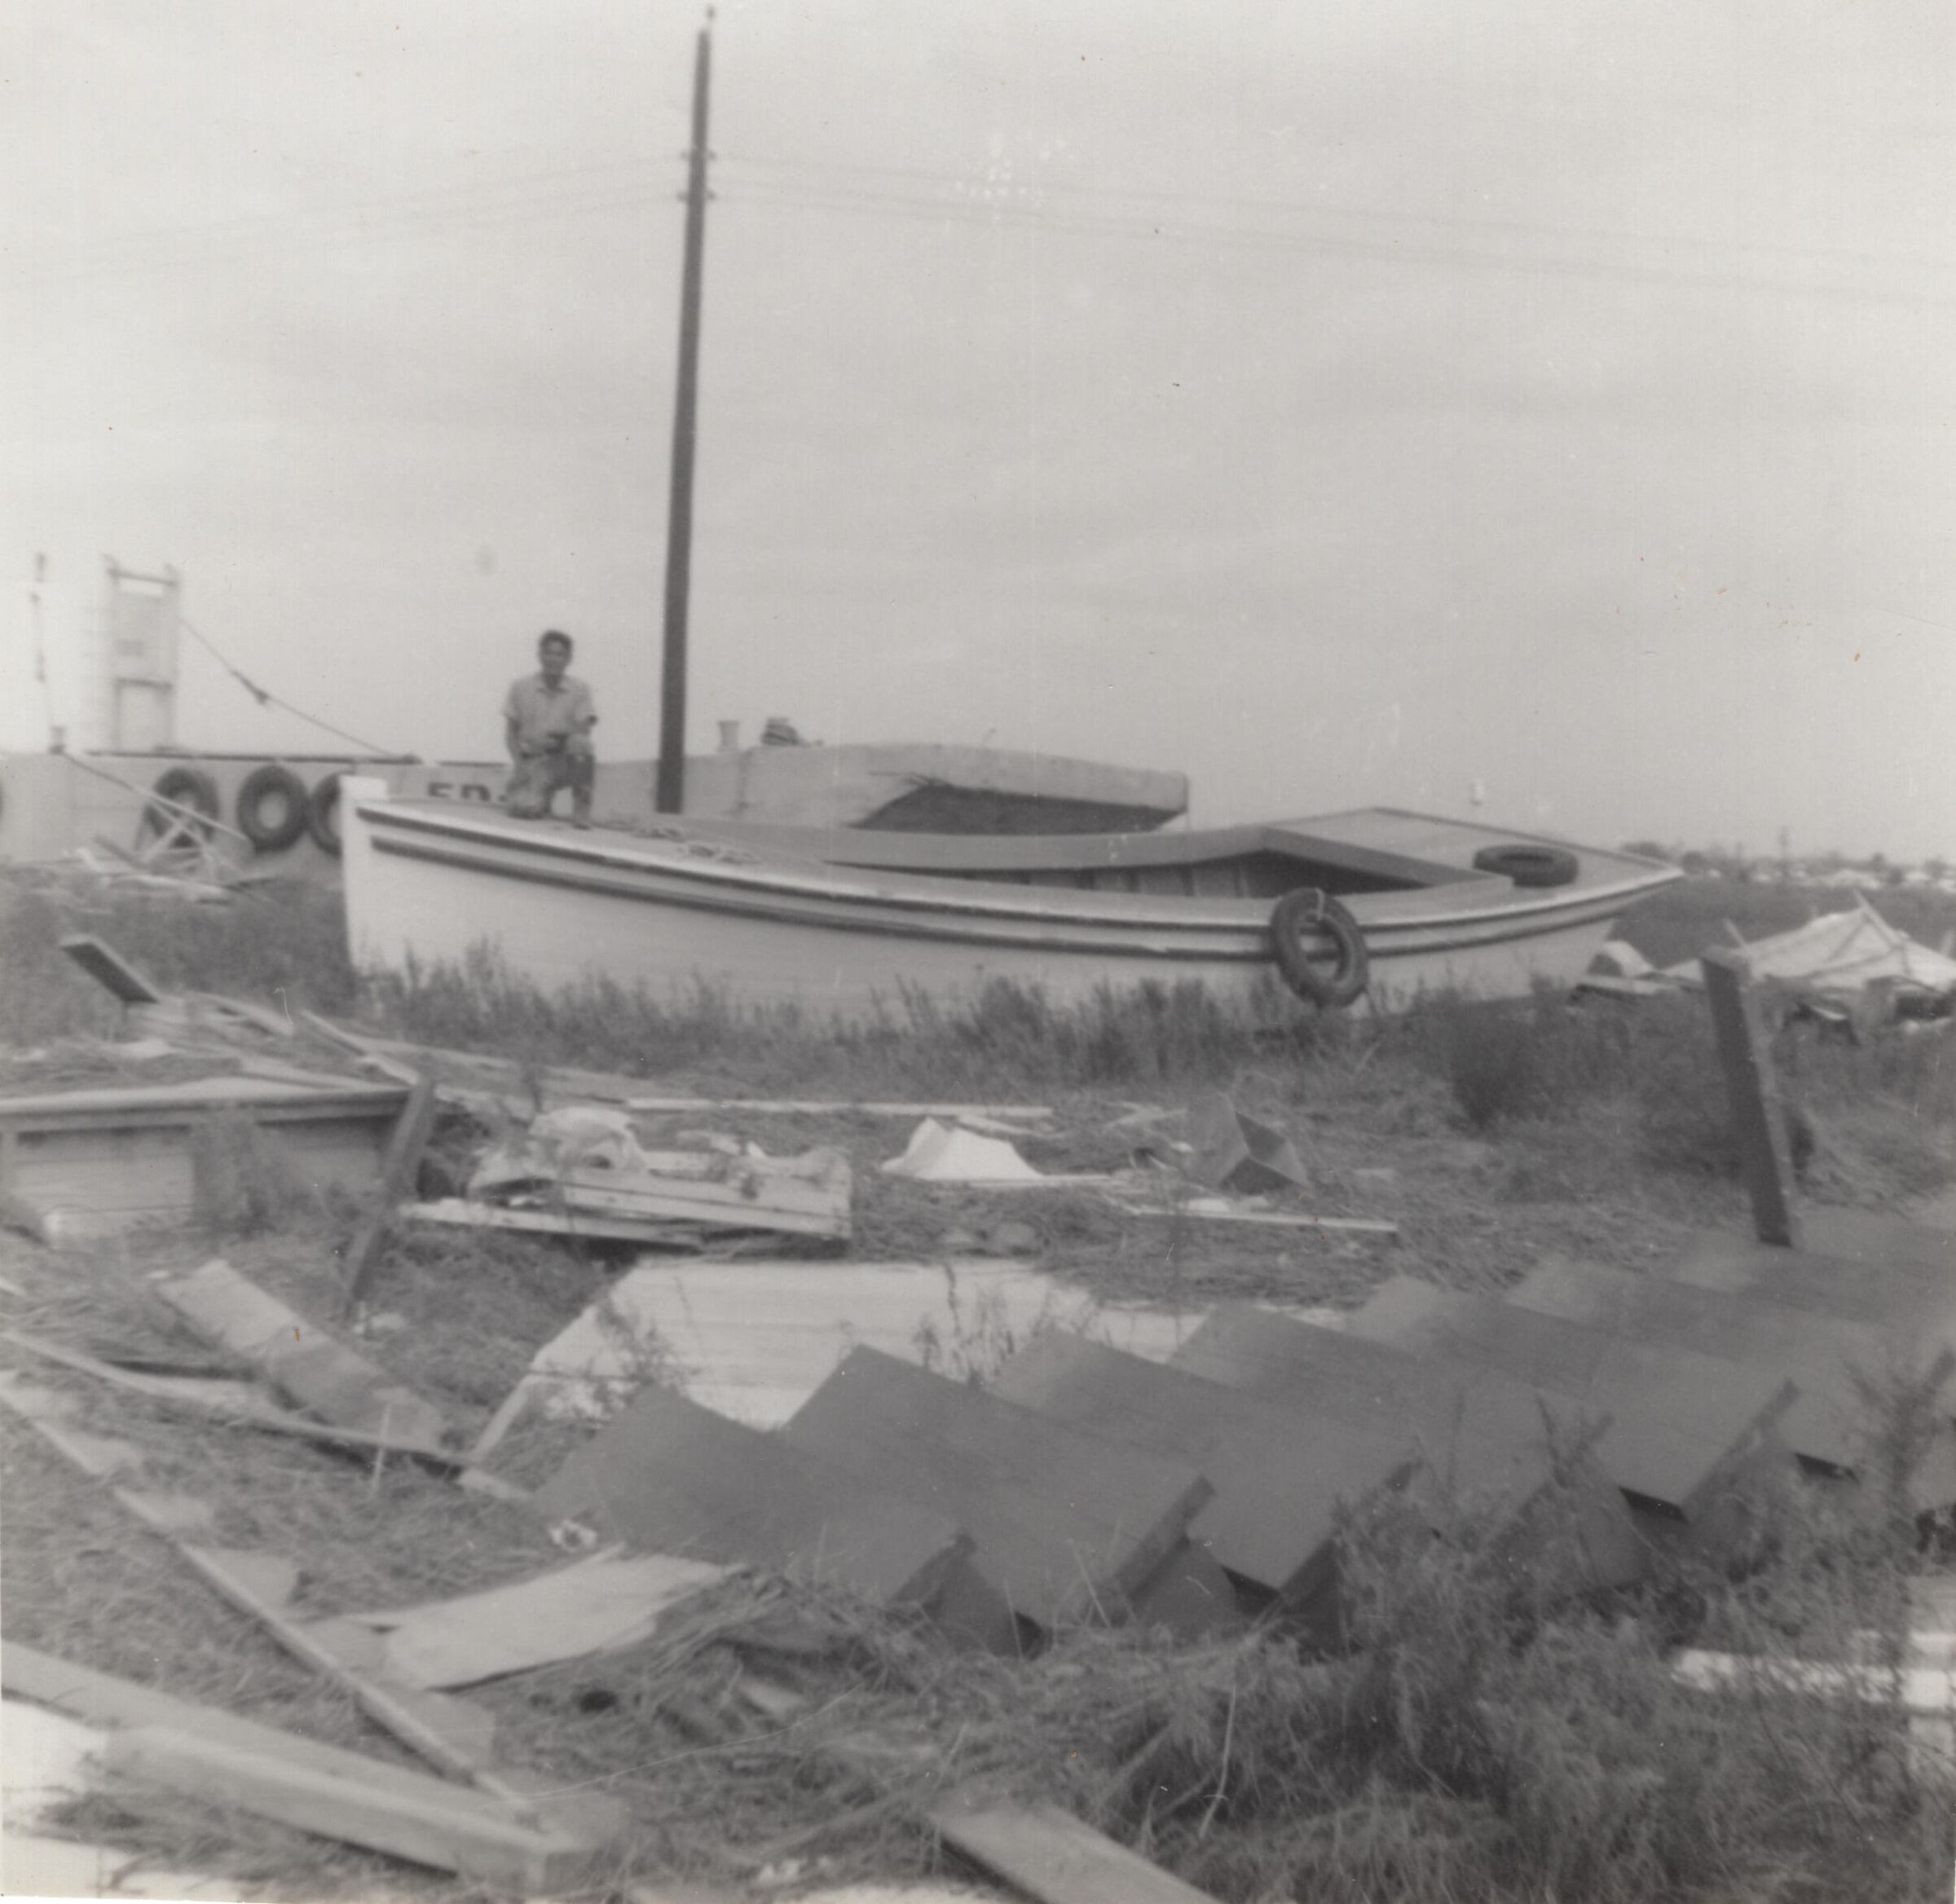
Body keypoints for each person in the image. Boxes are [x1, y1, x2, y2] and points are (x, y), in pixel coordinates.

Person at [503, 630, 597, 826]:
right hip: (533, 763)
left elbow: (584, 730)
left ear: (569, 658)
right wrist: (520, 767)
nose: (554, 659)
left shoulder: (580, 689)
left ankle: (581, 809)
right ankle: (541, 800)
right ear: (540, 655)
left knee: (581, 743)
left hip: (564, 762)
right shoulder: (520, 687)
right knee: (524, 808)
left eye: (560, 654)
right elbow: (511, 733)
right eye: (549, 653)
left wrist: (558, 739)